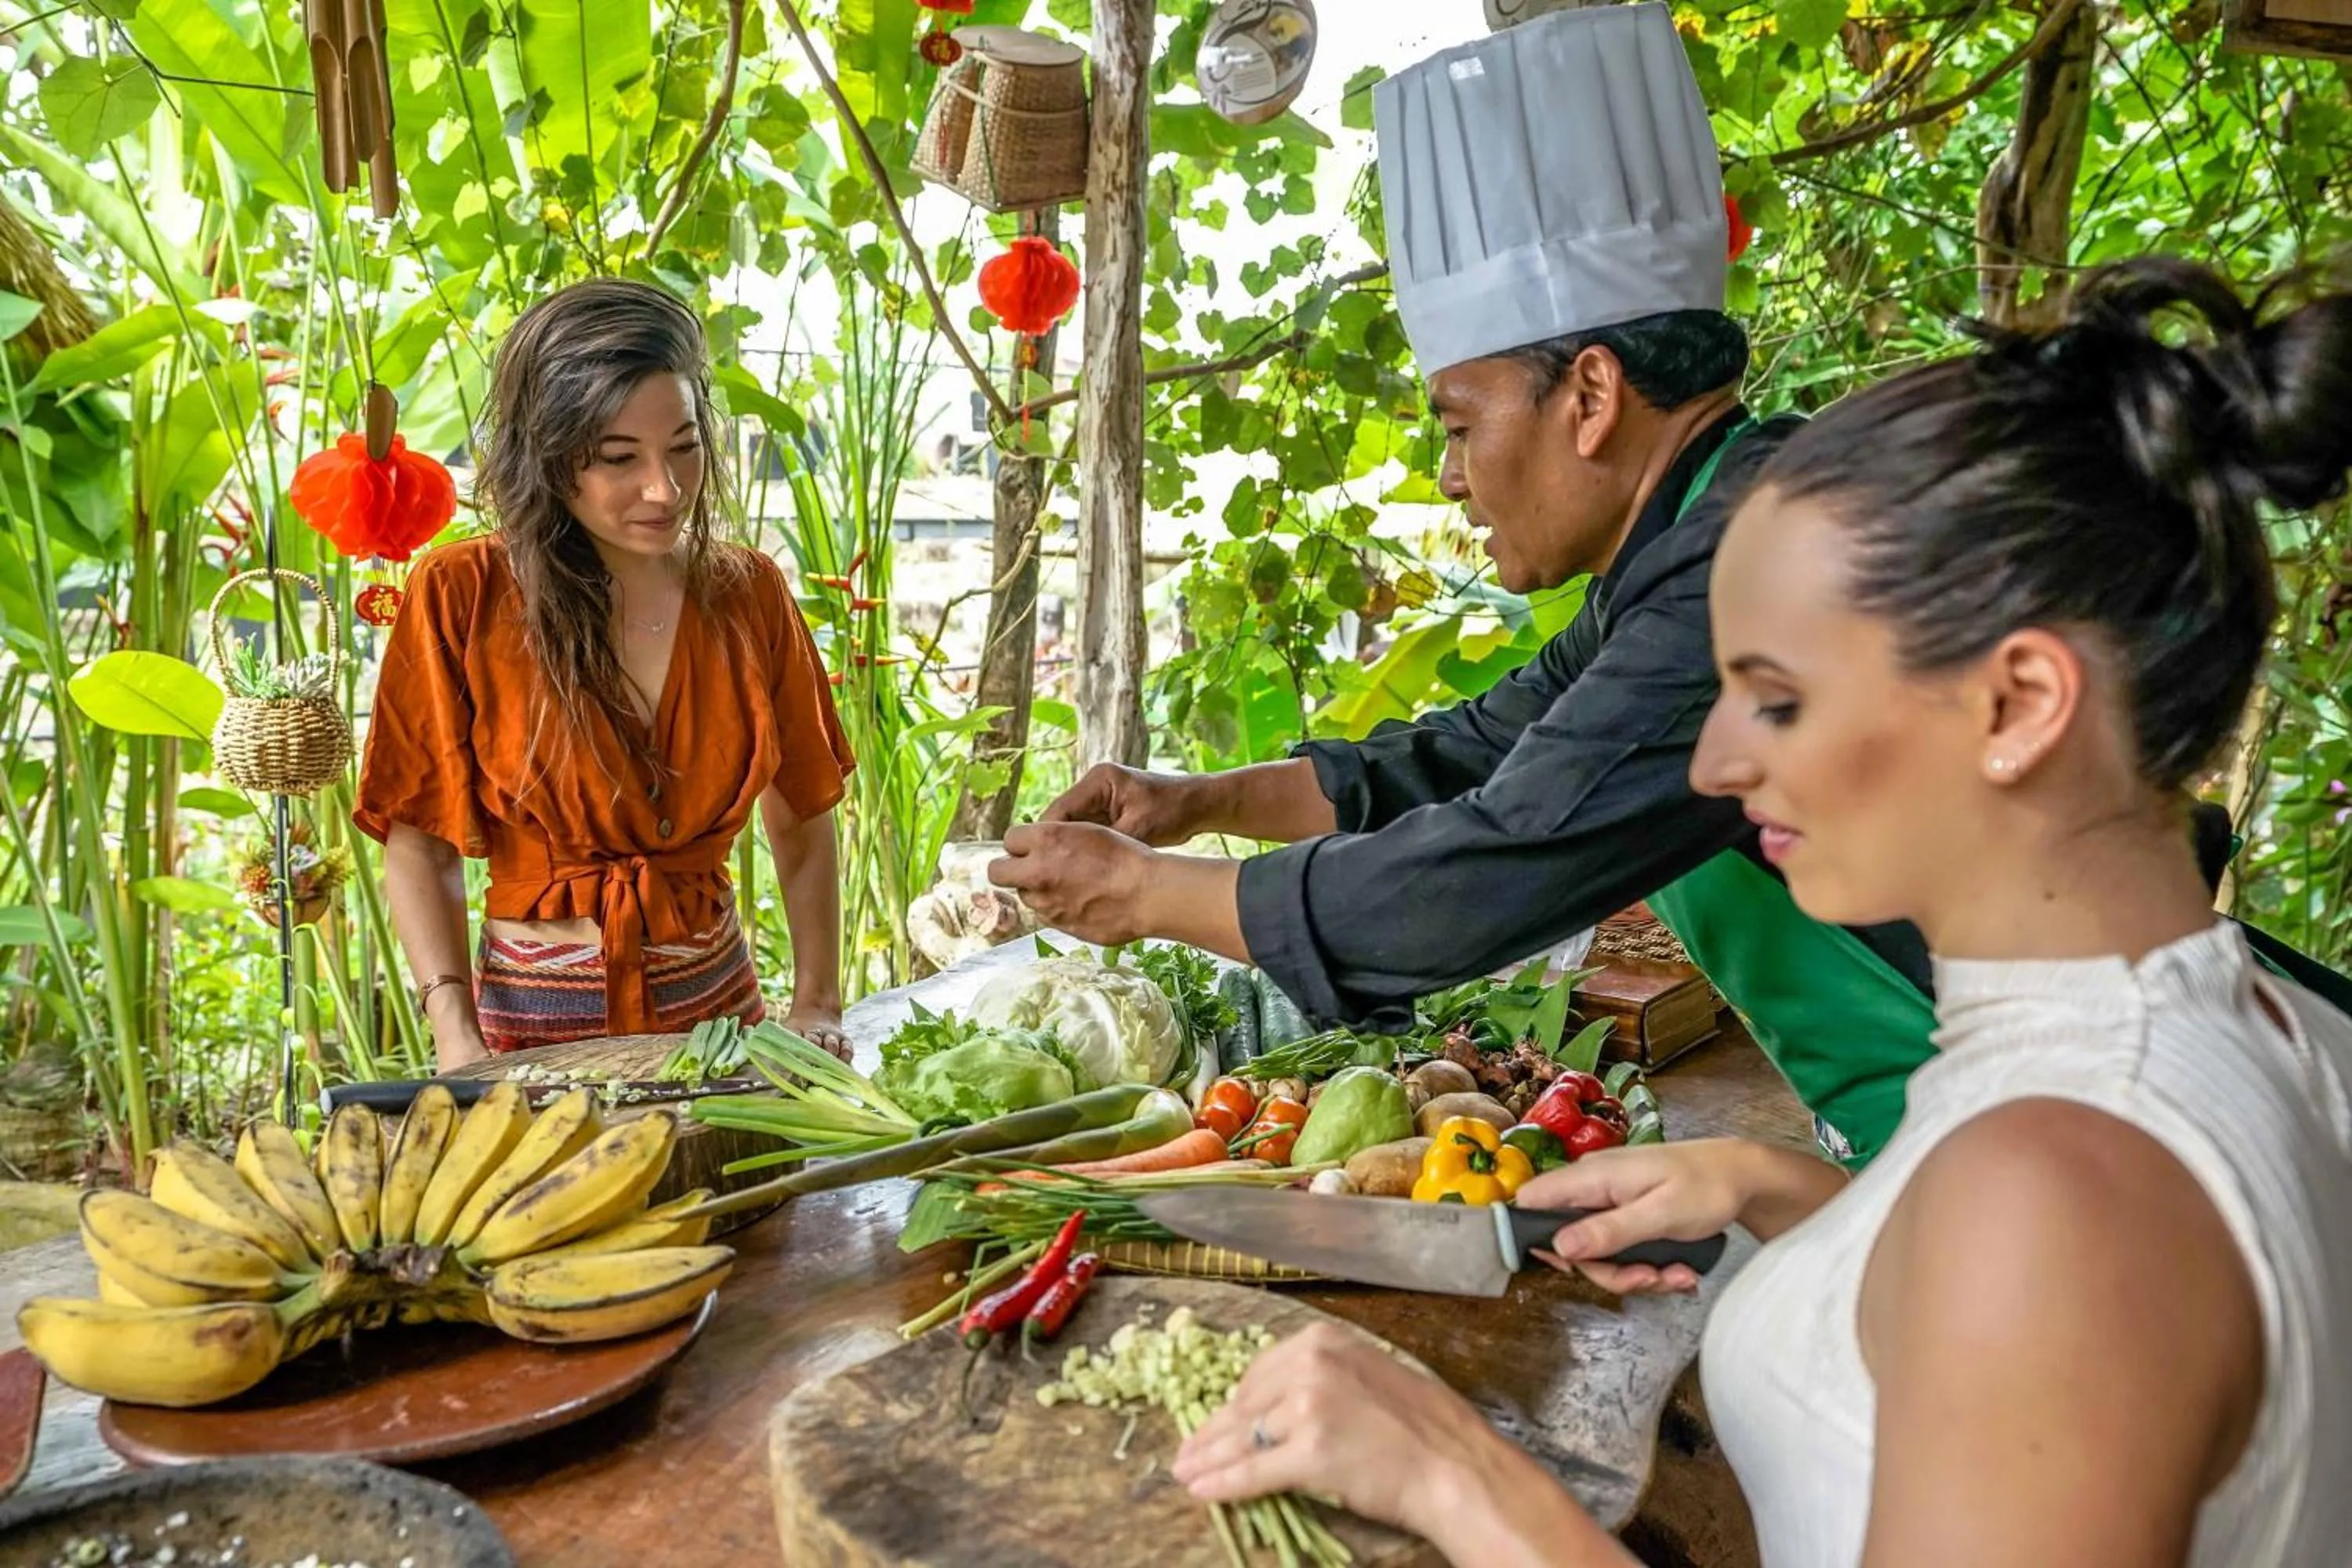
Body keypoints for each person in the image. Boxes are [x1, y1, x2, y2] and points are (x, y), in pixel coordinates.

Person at [991, 2, 2351, 1169]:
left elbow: (1489, 867)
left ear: (1589, 394)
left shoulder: (1744, 563)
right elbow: (1494, 744)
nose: (1452, 476)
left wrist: (1144, 893)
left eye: (1459, 425)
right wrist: (1200, 806)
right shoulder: (1710, 521)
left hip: (2063, 1131)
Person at [1171, 258, 2352, 1566]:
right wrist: (1771, 1188)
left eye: (1776, 699)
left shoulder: (2053, 1197)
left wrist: (1464, 1483)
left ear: (2018, 704)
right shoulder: (2254, 1032)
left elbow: (2041, 1263)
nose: (1720, 768)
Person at [354, 279, 856, 1069]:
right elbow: (420, 845)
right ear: (550, 458)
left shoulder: (749, 591)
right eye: (620, 458)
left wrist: (818, 1002)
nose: (665, 489)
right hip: (527, 1041)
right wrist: (456, 1035)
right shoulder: (461, 594)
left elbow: (800, 815)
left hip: (723, 1031)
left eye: (684, 448)